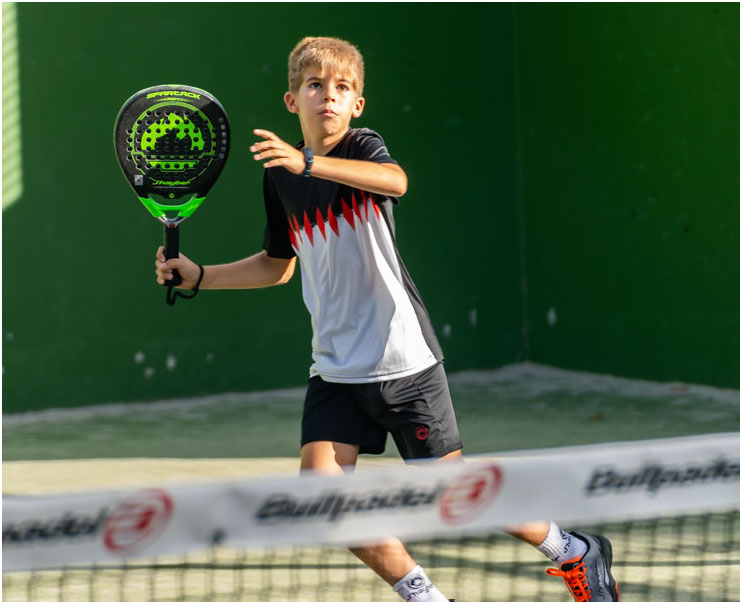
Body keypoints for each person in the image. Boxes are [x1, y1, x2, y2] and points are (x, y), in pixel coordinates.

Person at [154, 36, 619, 603]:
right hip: (334, 368)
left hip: (402, 359)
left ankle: (572, 549)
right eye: (315, 85)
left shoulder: (362, 147)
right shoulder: (280, 177)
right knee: (323, 498)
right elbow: (278, 265)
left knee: (453, 492)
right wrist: (199, 275)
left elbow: (395, 182)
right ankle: (427, 598)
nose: (328, 96)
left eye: (342, 88)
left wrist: (308, 161)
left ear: (357, 105)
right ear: (292, 100)